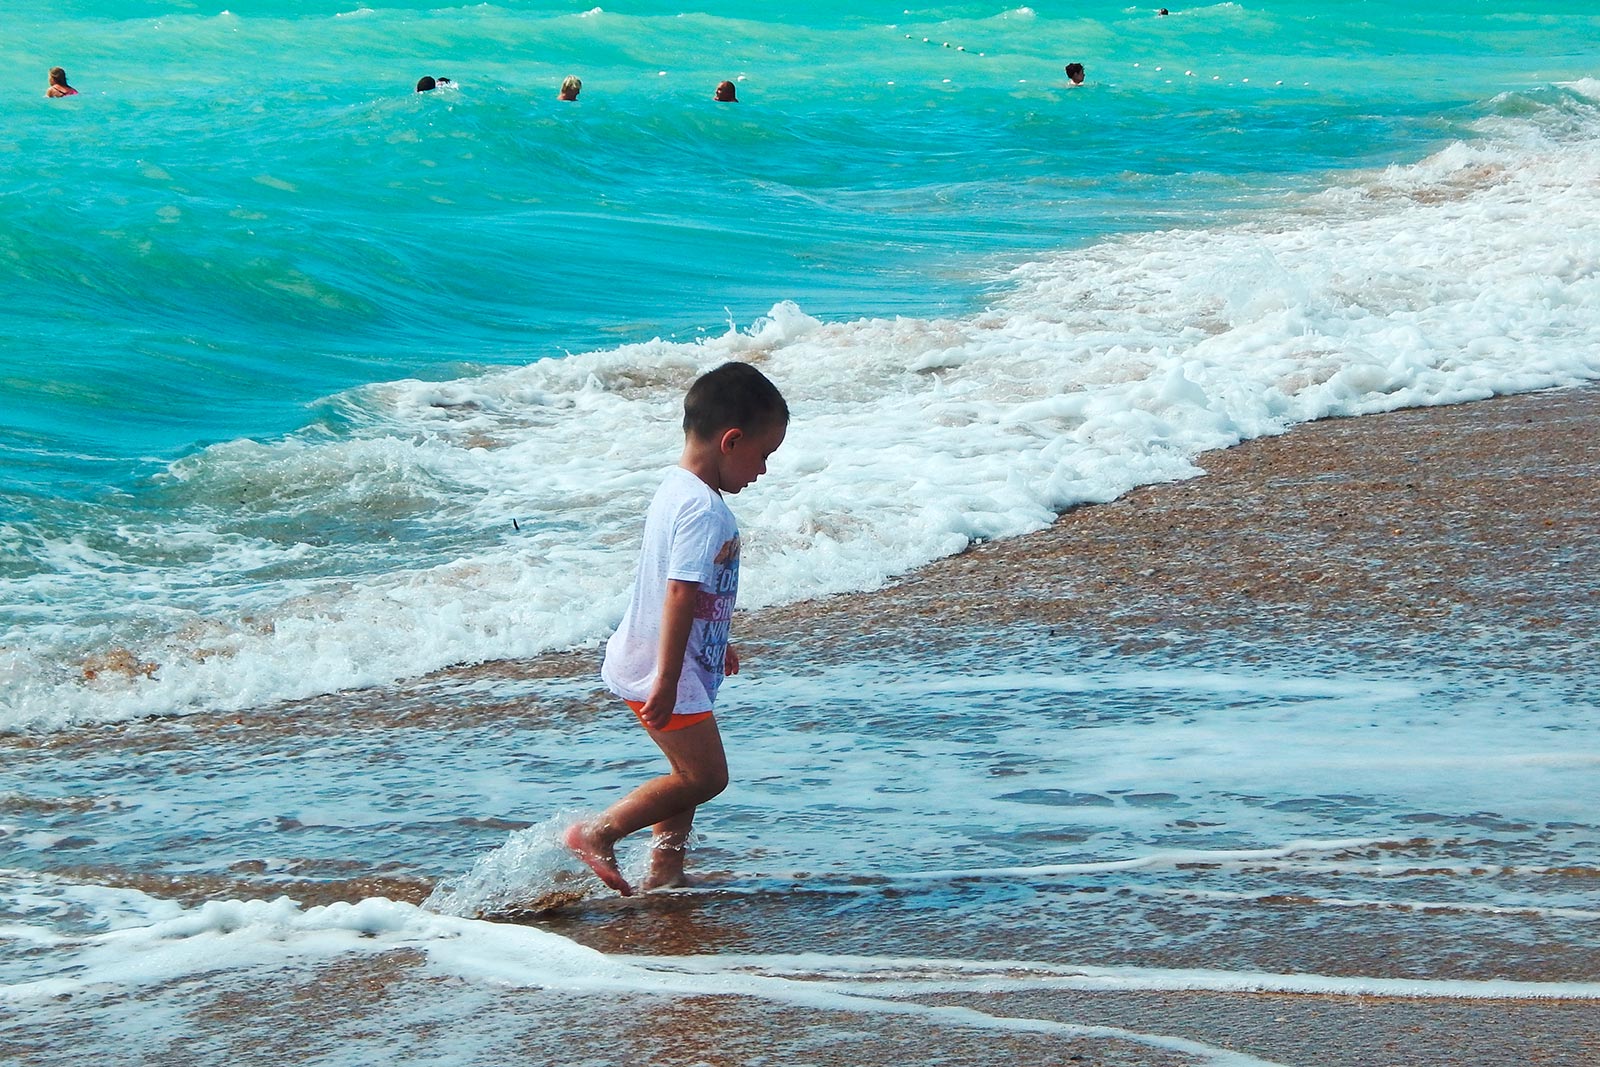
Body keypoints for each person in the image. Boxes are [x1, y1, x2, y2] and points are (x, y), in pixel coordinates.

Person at [565, 362, 788, 896]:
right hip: (662, 666)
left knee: (684, 773)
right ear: (731, 441)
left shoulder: (677, 489)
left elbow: (693, 590)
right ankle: (597, 832)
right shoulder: (703, 510)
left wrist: (718, 639)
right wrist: (666, 679)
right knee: (705, 777)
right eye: (763, 455)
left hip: (672, 657)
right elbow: (679, 590)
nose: (762, 471)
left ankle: (665, 872)